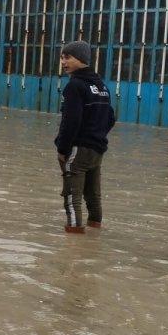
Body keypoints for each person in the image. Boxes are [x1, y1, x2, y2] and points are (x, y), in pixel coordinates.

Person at [54, 40, 116, 234]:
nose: (63, 62)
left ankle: (74, 239)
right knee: (93, 195)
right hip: (97, 150)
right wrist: (97, 135)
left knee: (72, 196)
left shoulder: (74, 86)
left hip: (78, 150)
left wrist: (62, 148)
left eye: (67, 57)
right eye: (62, 57)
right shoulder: (102, 87)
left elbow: (70, 121)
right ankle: (95, 232)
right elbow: (110, 117)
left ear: (81, 59)